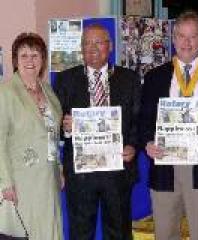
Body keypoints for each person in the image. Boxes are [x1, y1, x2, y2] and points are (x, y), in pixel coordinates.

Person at [139, 11, 198, 240]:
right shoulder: (154, 77)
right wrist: (147, 143)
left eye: (193, 37)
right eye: (181, 36)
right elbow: (143, 120)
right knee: (165, 233)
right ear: (173, 39)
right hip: (165, 167)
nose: (187, 42)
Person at [53, 24, 140, 240]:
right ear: (81, 49)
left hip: (117, 169)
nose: (92, 48)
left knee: (119, 232)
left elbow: (138, 120)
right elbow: (53, 124)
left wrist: (133, 145)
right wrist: (65, 128)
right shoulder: (65, 80)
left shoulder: (129, 78)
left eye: (98, 42)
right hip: (81, 173)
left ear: (109, 47)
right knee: (80, 233)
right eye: (87, 43)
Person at [0, 33, 63, 239]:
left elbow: (52, 133)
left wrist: (59, 168)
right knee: (28, 230)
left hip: (48, 177)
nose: (30, 61)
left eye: (35, 55)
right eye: (24, 55)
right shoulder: (6, 92)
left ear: (43, 60)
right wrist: (5, 183)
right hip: (22, 180)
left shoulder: (47, 90)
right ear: (15, 60)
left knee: (49, 229)